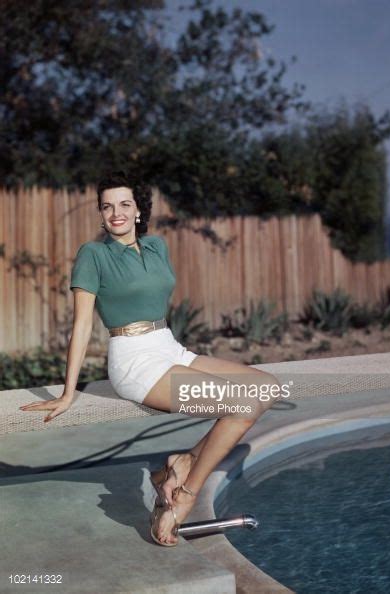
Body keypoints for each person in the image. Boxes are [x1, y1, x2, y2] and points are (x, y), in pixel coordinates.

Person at [19, 170, 280, 546]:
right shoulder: (93, 255)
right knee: (241, 403)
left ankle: (183, 461)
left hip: (169, 346)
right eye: (107, 206)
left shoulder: (158, 246)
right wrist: (67, 392)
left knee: (266, 388)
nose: (116, 213)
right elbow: (80, 327)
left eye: (124, 204)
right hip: (134, 360)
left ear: (139, 210)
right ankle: (185, 495)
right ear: (101, 213)